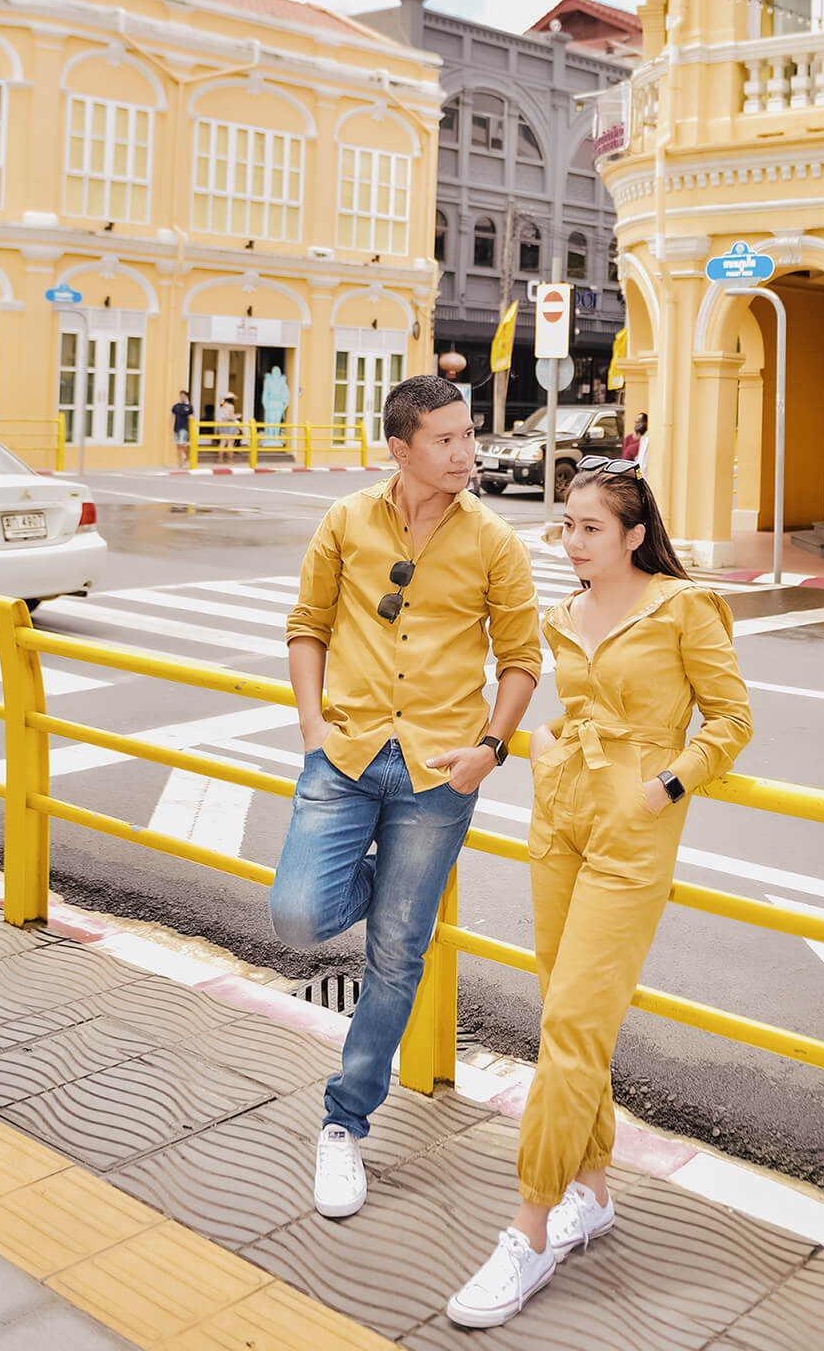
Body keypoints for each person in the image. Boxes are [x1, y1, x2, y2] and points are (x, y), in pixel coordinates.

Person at [447, 455, 751, 1329]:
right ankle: (593, 1187)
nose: (573, 543)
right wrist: (518, 749)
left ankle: (530, 1230)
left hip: (632, 836)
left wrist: (665, 784)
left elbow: (732, 718)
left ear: (634, 534)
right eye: (567, 526)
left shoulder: (682, 609)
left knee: (574, 1027)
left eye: (590, 528)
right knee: (562, 1018)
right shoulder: (563, 615)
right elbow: (570, 713)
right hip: (559, 823)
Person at [270, 374, 542, 1222]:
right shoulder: (346, 521)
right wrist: (313, 727)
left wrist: (490, 750)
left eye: (470, 437)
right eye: (448, 440)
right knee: (299, 917)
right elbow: (307, 625)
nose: (468, 453)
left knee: (397, 954)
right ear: (402, 448)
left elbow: (523, 658)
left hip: (439, 772)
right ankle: (391, 877)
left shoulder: (494, 540)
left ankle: (343, 1124)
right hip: (344, 755)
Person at [170, 390, 192, 467]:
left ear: (186, 397)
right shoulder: (176, 406)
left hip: (184, 427)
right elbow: (172, 416)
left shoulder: (189, 407)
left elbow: (191, 417)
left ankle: (188, 456)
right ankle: (181, 462)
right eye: (181, 396)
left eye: (183, 396)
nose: (182, 397)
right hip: (177, 427)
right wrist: (171, 425)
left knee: (182, 444)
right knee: (178, 445)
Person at [216, 393, 238, 459]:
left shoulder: (222, 406)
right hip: (230, 424)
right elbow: (231, 417)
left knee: (222, 442)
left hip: (222, 424)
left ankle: (220, 459)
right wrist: (237, 416)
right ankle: (230, 460)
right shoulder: (231, 406)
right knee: (230, 443)